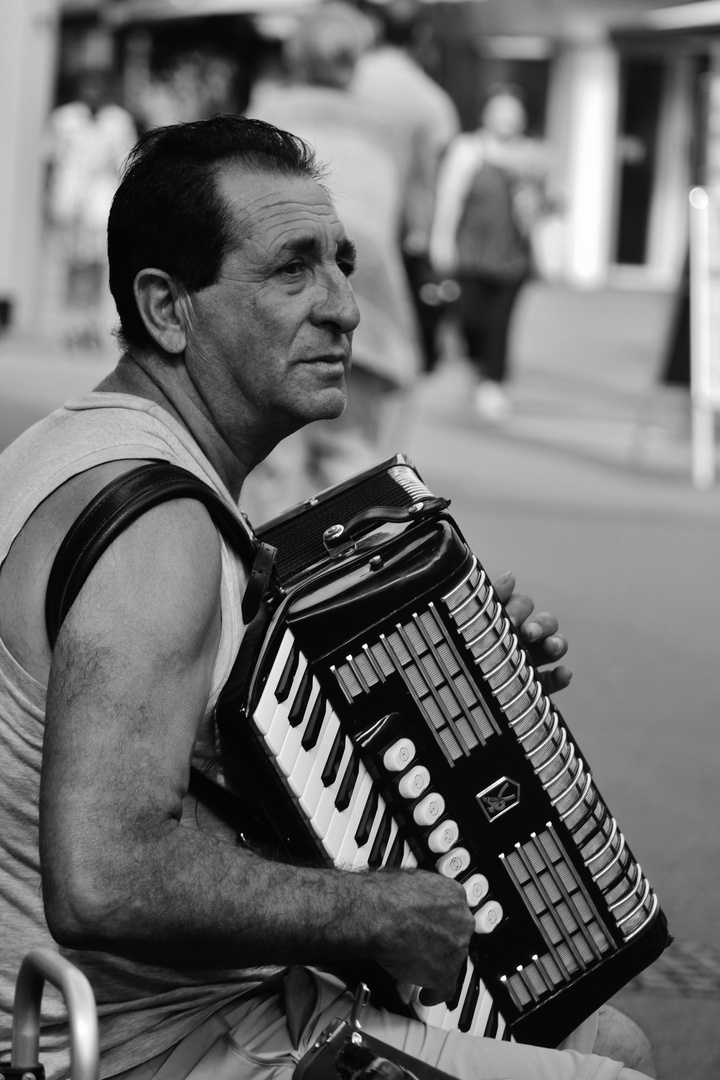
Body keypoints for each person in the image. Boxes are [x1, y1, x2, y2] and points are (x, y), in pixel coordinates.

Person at [0, 114, 655, 1080]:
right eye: (293, 269)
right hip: (138, 1044)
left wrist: (459, 675)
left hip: (127, 1007)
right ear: (167, 308)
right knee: (616, 1069)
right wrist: (378, 909)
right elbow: (104, 874)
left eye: (342, 263)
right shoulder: (159, 531)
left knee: (603, 1033)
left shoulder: (78, 446)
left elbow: (209, 718)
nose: (346, 307)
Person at [242, 2, 422, 523]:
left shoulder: (267, 112)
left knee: (276, 457)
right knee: (351, 458)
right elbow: (404, 218)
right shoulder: (380, 127)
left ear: (295, 57)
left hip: (289, 293)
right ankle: (351, 584)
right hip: (369, 298)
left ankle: (273, 587)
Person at [430, 84, 555, 422]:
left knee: (500, 323)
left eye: (513, 112)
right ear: (487, 113)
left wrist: (536, 207)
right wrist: (441, 241)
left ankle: (492, 383)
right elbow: (449, 198)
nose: (507, 119)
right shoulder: (468, 149)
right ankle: (478, 368)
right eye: (500, 111)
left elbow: (549, 205)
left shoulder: (530, 156)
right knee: (469, 318)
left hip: (512, 256)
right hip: (471, 253)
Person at [353, 0, 461, 371]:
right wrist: (427, 239)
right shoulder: (432, 101)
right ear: (420, 36)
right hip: (394, 236)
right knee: (389, 353)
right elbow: (432, 184)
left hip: (330, 216)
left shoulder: (346, 79)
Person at [42, 70, 136, 350]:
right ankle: (69, 325)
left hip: (100, 204)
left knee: (97, 268)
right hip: (68, 203)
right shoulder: (64, 119)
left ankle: (92, 326)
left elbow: (125, 166)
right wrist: (49, 202)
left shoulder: (119, 122)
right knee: (72, 267)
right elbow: (49, 161)